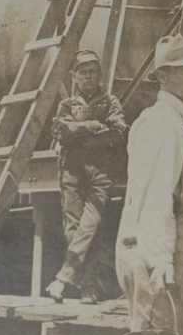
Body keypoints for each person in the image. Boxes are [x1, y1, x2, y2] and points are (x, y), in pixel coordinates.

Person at [116, 34, 183, 335]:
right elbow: (157, 193)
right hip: (157, 257)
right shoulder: (162, 124)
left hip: (164, 253)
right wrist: (160, 259)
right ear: (163, 76)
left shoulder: (177, 122)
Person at [45, 49, 128, 304]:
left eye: (93, 72)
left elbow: (118, 132)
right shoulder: (66, 104)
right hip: (72, 170)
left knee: (90, 224)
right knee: (73, 228)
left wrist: (79, 133)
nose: (89, 77)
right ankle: (88, 288)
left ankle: (62, 279)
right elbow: (61, 130)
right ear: (75, 77)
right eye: (83, 73)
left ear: (99, 76)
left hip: (100, 173)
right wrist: (93, 127)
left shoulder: (110, 101)